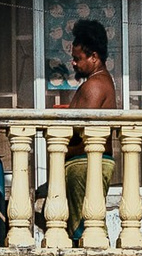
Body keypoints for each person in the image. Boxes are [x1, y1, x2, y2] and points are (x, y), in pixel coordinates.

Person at [49, 19, 117, 242]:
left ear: (94, 57)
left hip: (87, 163)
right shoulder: (95, 82)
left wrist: (61, 148)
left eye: (78, 59)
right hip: (83, 163)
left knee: (88, 227)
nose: (74, 64)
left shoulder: (96, 85)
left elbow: (79, 130)